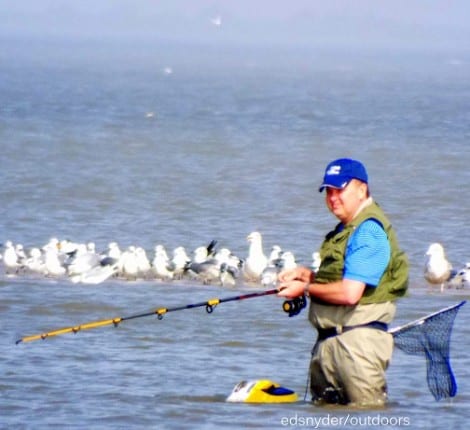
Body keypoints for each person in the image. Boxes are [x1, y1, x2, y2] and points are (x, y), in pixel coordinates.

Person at [278, 158, 408, 407]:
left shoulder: (369, 231)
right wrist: (309, 277)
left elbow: (350, 294)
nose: (333, 197)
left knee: (366, 419)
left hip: (357, 349)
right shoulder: (346, 229)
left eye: (340, 189)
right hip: (331, 344)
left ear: (362, 190)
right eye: (328, 191)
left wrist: (304, 289)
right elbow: (347, 281)